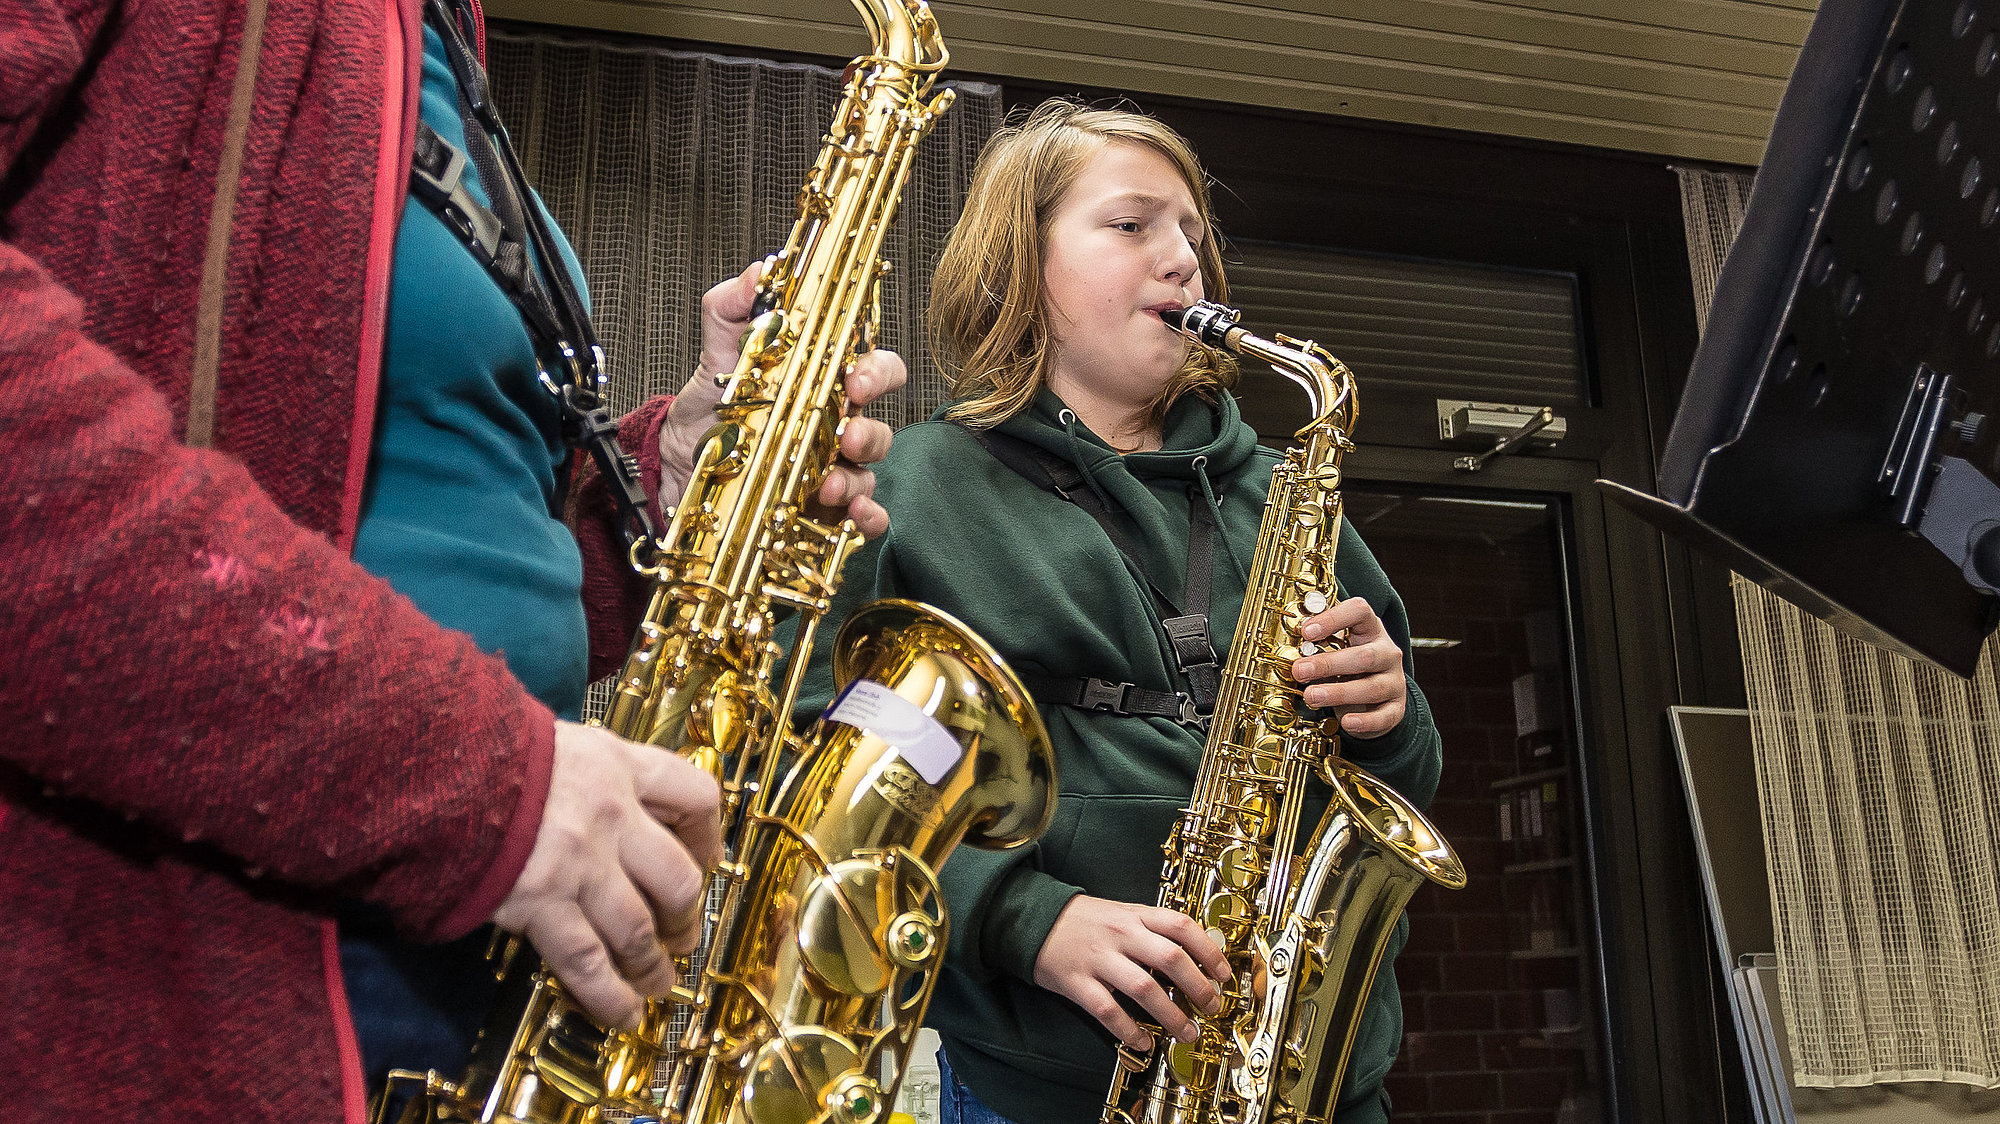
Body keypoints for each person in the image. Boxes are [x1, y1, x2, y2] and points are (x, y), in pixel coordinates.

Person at [0, 1, 901, 1120]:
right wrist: (479, 778)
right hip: (172, 985)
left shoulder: (435, 49)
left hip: (425, 983)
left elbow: (404, 525)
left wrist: (670, 474)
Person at [792, 100, 1443, 1124]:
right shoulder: (909, 491)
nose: (1184, 259)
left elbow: (1400, 781)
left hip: (1314, 1077)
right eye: (1131, 225)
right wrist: (1024, 918)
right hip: (1041, 1086)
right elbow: (817, 765)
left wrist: (1389, 714)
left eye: (1192, 231)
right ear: (1018, 270)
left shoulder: (1281, 492)